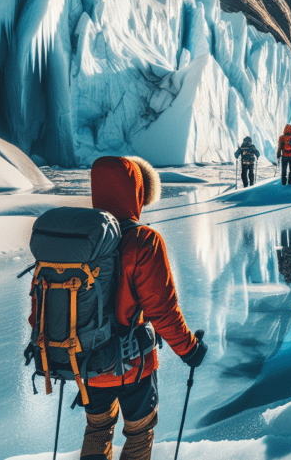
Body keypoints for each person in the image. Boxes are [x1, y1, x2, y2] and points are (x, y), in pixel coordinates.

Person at [34, 156, 207, 460]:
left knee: (98, 429)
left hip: (86, 361)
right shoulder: (143, 241)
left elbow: (41, 306)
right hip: (134, 366)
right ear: (137, 191)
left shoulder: (78, 243)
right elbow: (162, 310)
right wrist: (190, 349)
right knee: (140, 432)